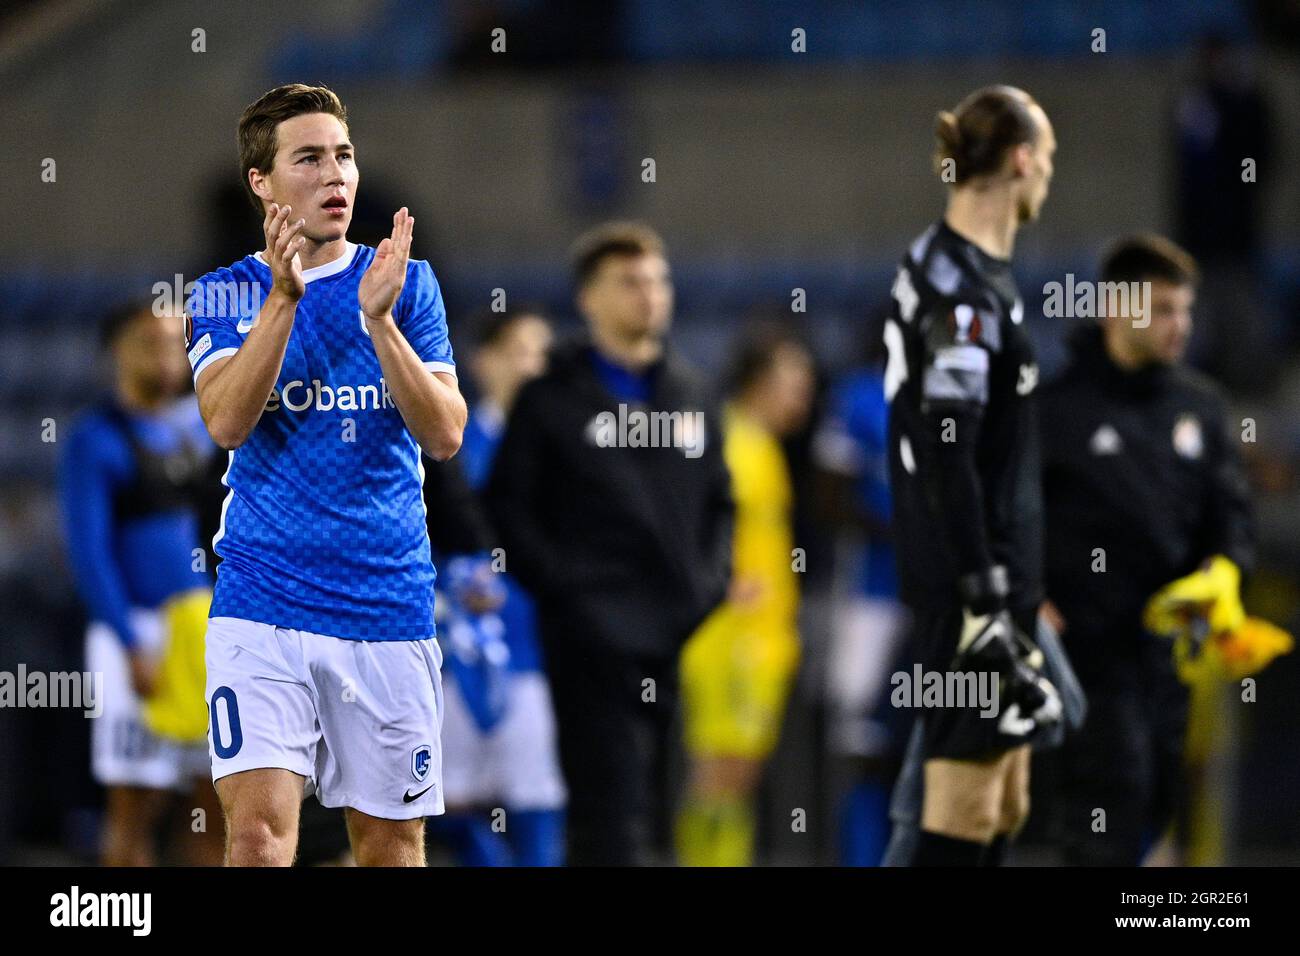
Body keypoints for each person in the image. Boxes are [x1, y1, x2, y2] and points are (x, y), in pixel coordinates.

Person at [187, 83, 466, 866]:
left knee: (387, 846)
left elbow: (445, 434)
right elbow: (226, 422)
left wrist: (378, 323)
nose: (336, 174)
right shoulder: (224, 293)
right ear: (262, 183)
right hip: (263, 601)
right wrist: (283, 301)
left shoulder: (407, 285)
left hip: (387, 603)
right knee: (257, 836)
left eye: (343, 155)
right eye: (308, 157)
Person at [486, 222, 733, 865]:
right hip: (590, 638)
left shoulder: (693, 395)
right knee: (608, 814)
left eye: (657, 281)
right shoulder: (551, 400)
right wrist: (569, 591)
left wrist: (707, 587)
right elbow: (509, 510)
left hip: (674, 629)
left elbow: (720, 503)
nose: (649, 295)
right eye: (629, 282)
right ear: (589, 299)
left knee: (663, 804)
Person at [882, 85, 1062, 866]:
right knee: (960, 809)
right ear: (1022, 161)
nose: (1049, 174)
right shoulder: (959, 293)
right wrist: (984, 595)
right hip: (969, 594)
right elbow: (949, 450)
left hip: (995, 582)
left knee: (1005, 803)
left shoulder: (965, 272)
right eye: (1048, 158)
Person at [1040, 234, 1256, 865]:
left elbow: (1231, 520)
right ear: (1115, 308)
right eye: (1162, 309)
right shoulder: (1054, 411)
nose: (1179, 325)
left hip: (1171, 656)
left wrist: (1222, 573)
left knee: (1156, 806)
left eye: (1184, 310)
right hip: (1084, 655)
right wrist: (1028, 597)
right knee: (1107, 804)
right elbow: (1005, 520)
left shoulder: (1201, 407)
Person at [58, 301, 222, 866]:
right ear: (118, 350)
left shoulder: (203, 430)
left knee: (214, 799)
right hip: (139, 632)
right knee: (138, 800)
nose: (169, 355)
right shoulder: (95, 439)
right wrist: (127, 641)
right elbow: (89, 552)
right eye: (151, 342)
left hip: (206, 632)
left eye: (178, 341)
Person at [675, 323, 814, 867]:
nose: (802, 391)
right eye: (792, 379)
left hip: (760, 638)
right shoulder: (727, 441)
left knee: (737, 773)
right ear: (759, 380)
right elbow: (683, 516)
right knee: (719, 770)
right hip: (729, 636)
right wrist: (720, 579)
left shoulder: (762, 445)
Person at [433, 308, 566, 866]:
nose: (533, 366)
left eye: (542, 354)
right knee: (447, 803)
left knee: (535, 798)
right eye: (519, 351)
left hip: (533, 654)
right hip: (451, 651)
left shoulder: (564, 452)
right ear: (483, 361)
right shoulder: (449, 442)